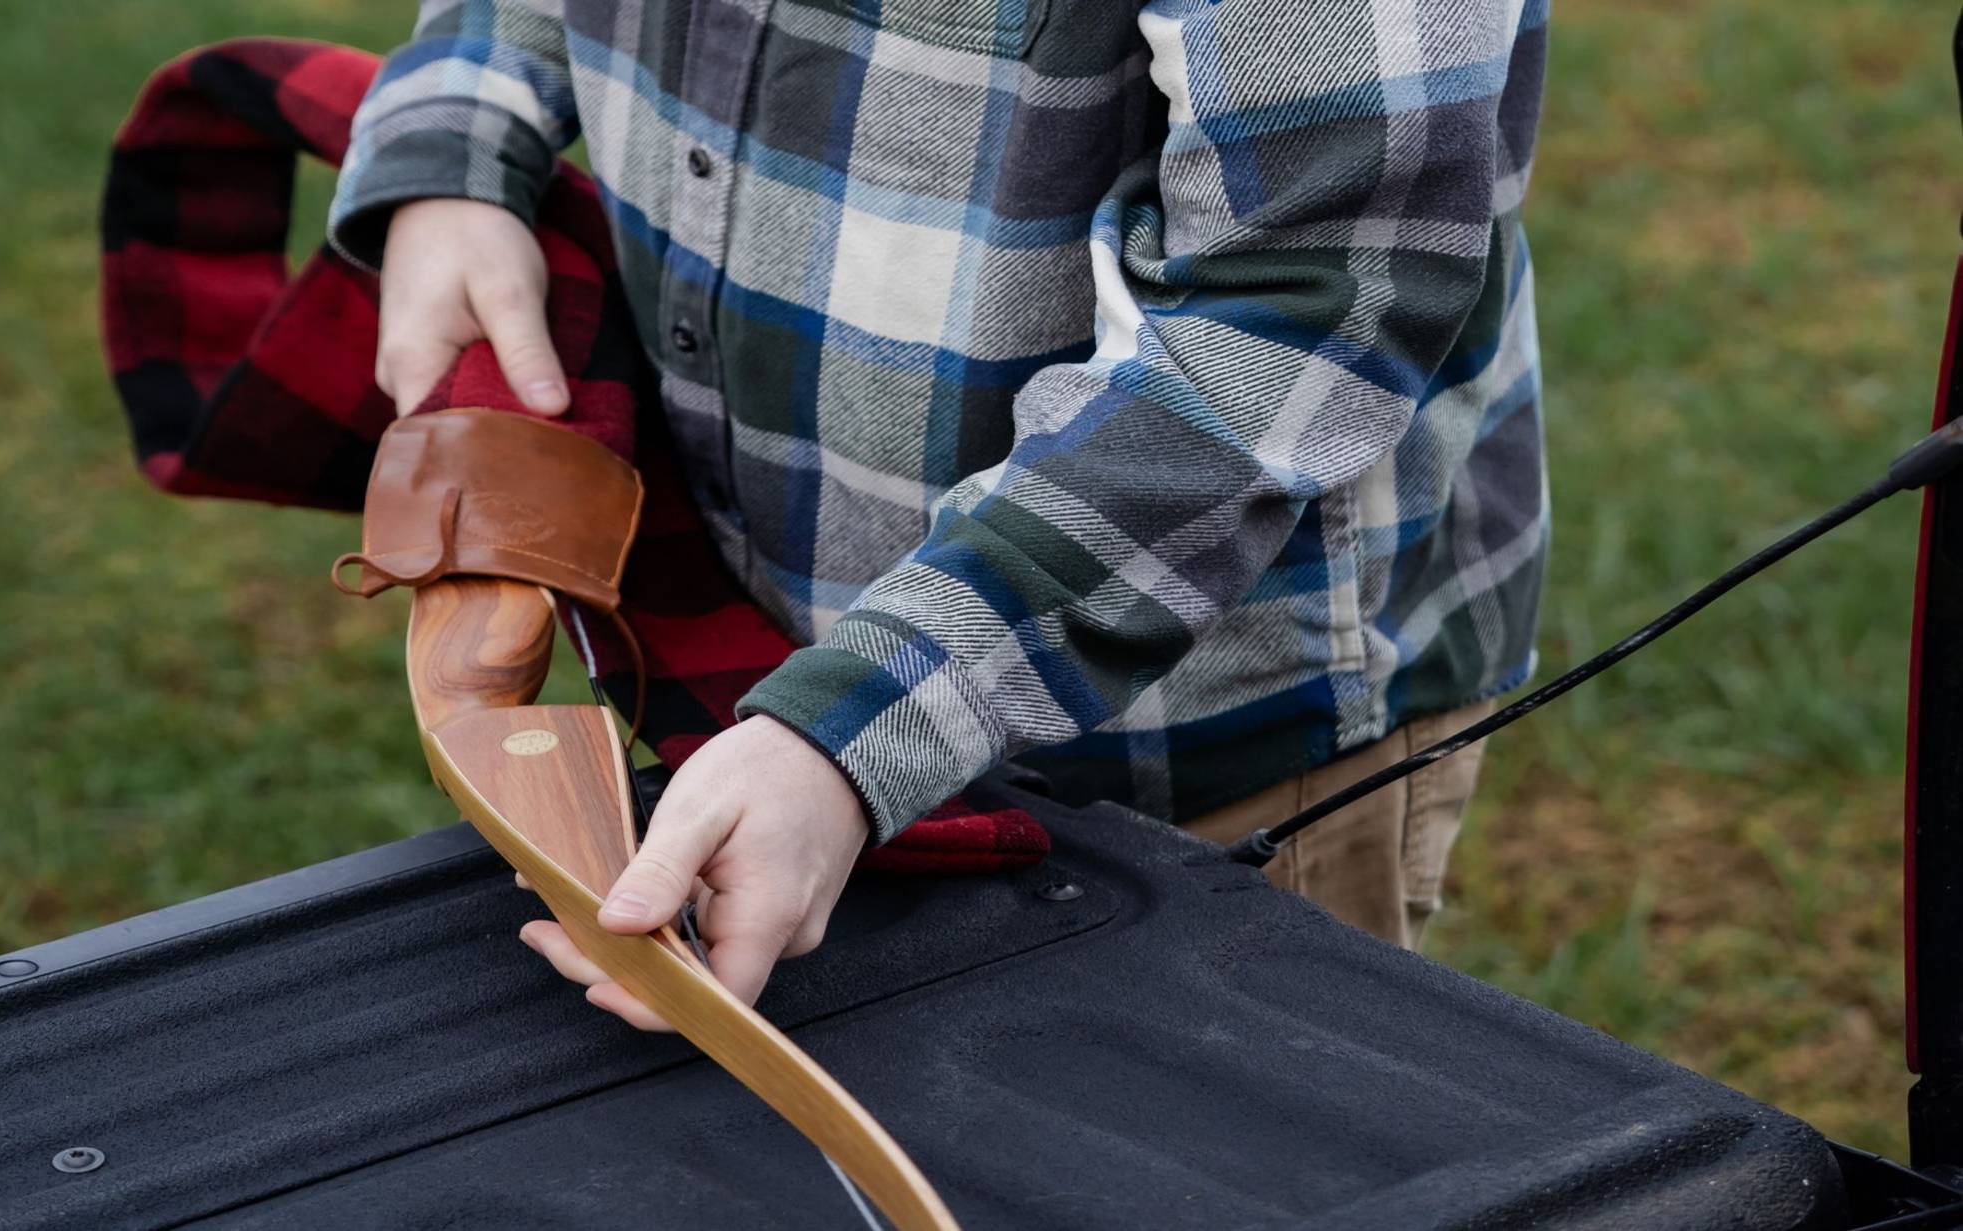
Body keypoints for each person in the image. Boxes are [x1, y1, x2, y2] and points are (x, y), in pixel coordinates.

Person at [329, 0, 1549, 1028]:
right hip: (780, 681)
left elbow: (1304, 303)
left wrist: (864, 720)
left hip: (1202, 732)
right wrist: (455, 145)